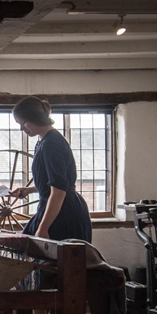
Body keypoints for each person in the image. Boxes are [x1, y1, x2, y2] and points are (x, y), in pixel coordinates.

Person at [9, 96, 92, 243]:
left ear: (35, 118)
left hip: (63, 213)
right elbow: (53, 183)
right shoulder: (43, 142)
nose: (21, 128)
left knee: (56, 262)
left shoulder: (51, 144)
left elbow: (59, 191)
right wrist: (30, 190)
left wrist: (43, 227)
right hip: (55, 207)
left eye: (23, 123)